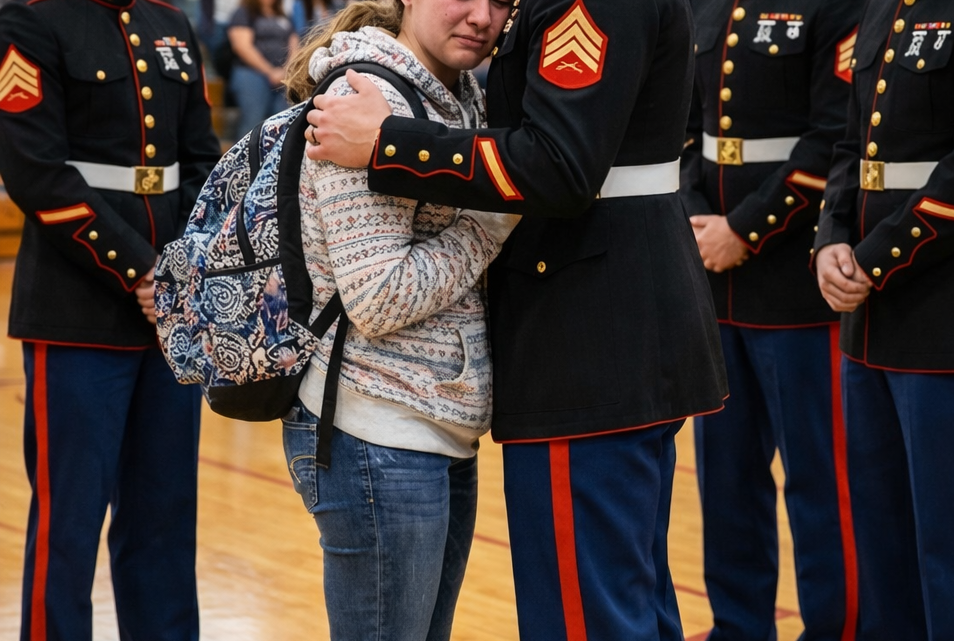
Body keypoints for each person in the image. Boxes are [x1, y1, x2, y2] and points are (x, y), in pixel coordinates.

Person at [300, 0, 730, 637]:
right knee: (627, 603)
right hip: (605, 325)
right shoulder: (381, 76)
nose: (485, 14)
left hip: (585, 333)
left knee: (589, 617)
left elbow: (558, 164)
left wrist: (389, 140)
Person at [278, 0, 515, 638]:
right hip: (373, 430)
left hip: (434, 423)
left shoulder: (459, 94)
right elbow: (379, 297)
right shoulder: (367, 94)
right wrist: (497, 212)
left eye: (500, 2)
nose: (480, 16)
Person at [0, 0, 222, 638]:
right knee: (68, 526)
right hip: (76, 311)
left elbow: (202, 159)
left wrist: (187, 264)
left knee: (164, 517)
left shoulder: (171, 25)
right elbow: (36, 172)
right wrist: (140, 269)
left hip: (168, 318)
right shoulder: (33, 22)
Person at [814, 0, 954, 637]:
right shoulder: (881, 9)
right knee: (884, 542)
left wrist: (872, 260)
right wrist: (828, 239)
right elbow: (851, 144)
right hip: (870, 327)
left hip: (949, 315)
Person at [679, 1, 861, 639]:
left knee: (820, 484)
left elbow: (835, 134)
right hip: (717, 288)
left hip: (797, 289)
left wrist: (743, 230)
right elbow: (682, 125)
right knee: (726, 481)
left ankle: (837, 628)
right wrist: (698, 218)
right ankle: (739, 625)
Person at [227, 0, 299, 137]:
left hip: (283, 76)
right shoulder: (243, 13)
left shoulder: (283, 15)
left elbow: (294, 44)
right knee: (253, 121)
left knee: (283, 123)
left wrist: (285, 70)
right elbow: (242, 46)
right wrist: (270, 71)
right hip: (251, 73)